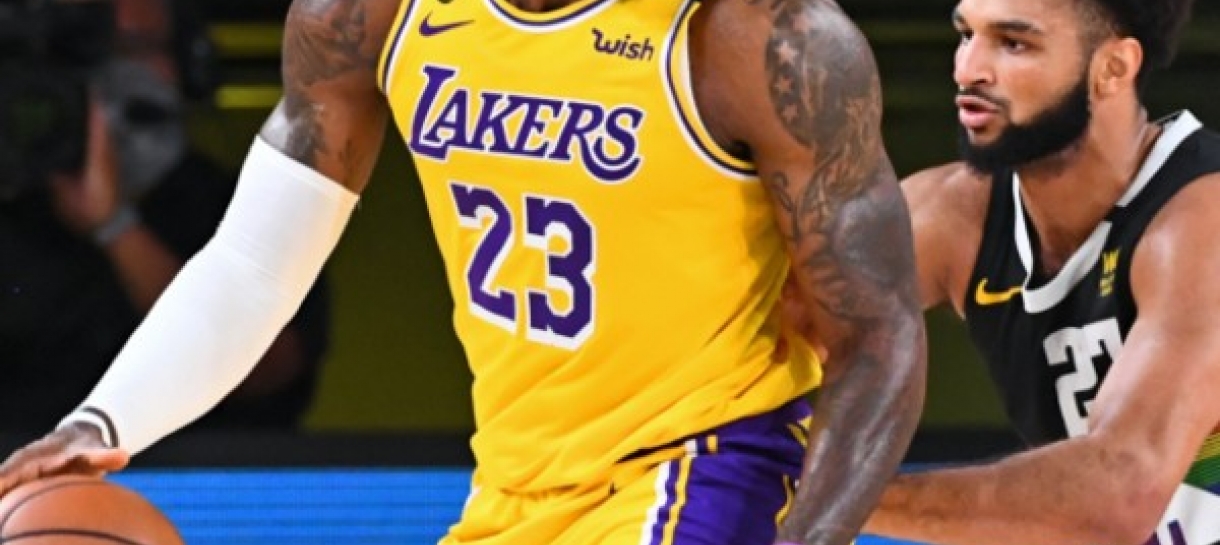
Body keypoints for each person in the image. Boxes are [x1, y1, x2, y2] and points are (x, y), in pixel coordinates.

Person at [0, 0, 928, 543]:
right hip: (511, 486)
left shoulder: (758, 37)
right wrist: (104, 418)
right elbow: (253, 262)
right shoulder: (371, 17)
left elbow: (878, 332)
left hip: (700, 471)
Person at [851, 0, 1219, 544]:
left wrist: (830, 497)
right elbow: (766, 337)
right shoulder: (952, 216)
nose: (968, 69)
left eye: (1013, 43)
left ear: (1113, 67)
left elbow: (1121, 495)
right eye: (966, 34)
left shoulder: (1201, 221)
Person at [0, 0, 330, 433]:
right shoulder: (15, 209)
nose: (111, 75)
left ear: (191, 62)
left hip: (209, 472)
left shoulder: (247, 202)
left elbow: (267, 371)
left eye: (135, 48)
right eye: (80, 52)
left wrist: (116, 228)